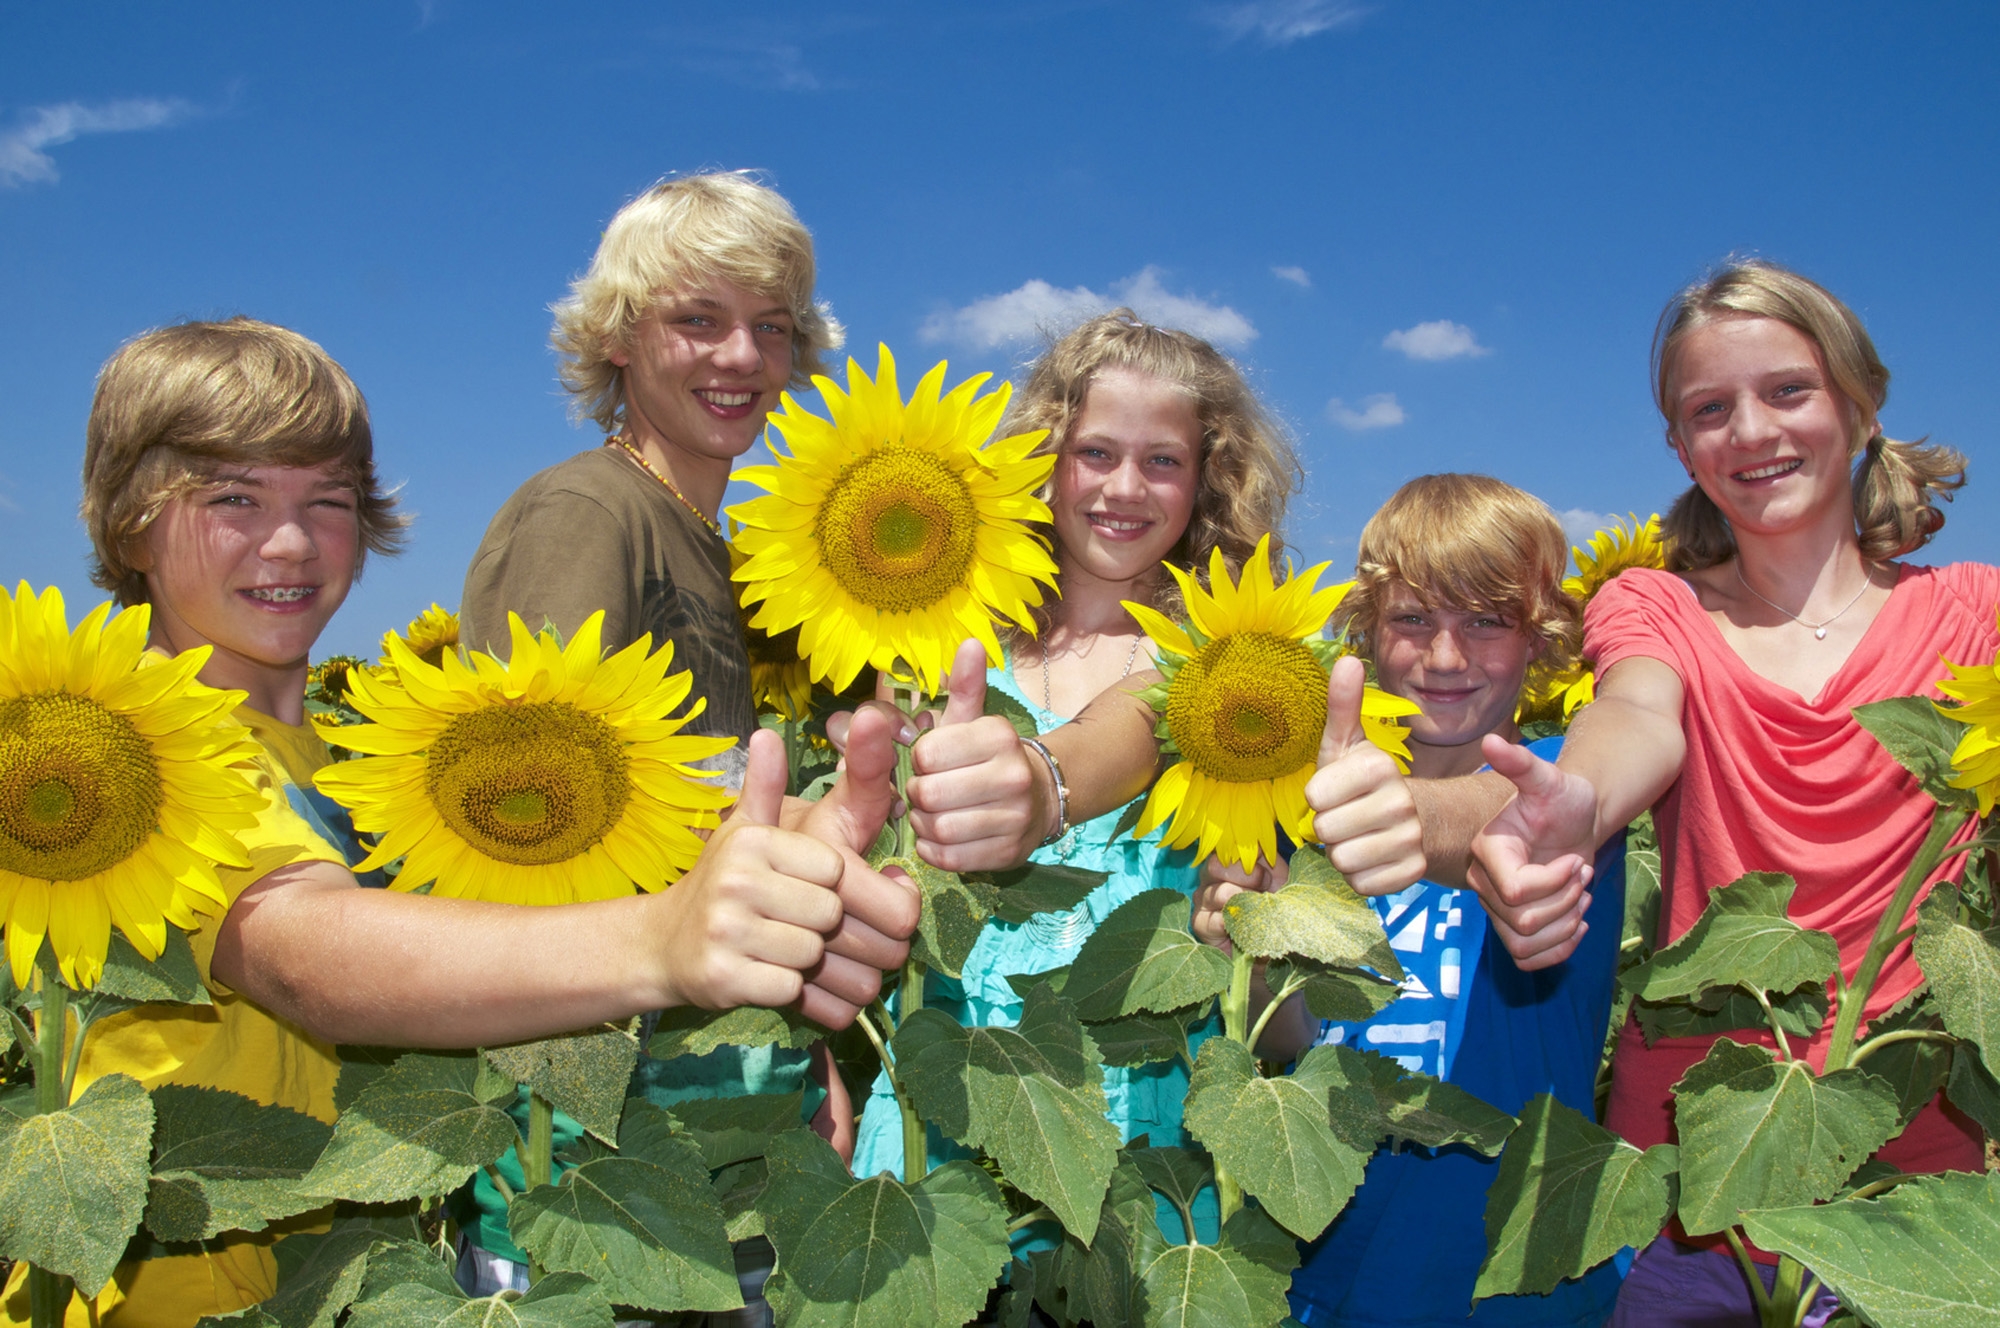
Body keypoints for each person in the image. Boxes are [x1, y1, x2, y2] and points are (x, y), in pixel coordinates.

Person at [0, 317, 909, 1328]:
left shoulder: (350, 763)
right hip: (169, 1295)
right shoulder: (132, 751)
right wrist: (667, 940)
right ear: (131, 521)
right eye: (232, 499)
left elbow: (496, 925)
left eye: (328, 501)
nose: (291, 541)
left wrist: (778, 887)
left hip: (318, 1275)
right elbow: (305, 950)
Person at [1469, 260, 1985, 1326]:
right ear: (1678, 446)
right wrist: (1578, 799)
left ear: (1858, 403)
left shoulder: (1974, 616)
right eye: (1710, 409)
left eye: (1786, 391)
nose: (1750, 430)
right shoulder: (1656, 607)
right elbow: (1636, 717)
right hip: (1692, 1172)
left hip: (1915, 1179)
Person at [455, 172, 917, 1310]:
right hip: (592, 1161)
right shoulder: (589, 515)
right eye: (696, 320)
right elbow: (536, 826)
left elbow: (727, 835)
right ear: (617, 338)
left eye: (769, 327)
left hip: (713, 1119)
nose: (738, 357)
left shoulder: (714, 545)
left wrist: (801, 1049)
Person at [846, 313, 1303, 1243]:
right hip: (945, 1115)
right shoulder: (942, 646)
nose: (1125, 488)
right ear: (1042, 460)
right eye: (1095, 452)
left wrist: (1262, 936)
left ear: (1210, 480)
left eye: (1163, 461)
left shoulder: (1230, 676)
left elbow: (1283, 1019)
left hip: (1150, 1136)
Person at [1195, 474, 1626, 1326]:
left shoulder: (1566, 785)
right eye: (1414, 618)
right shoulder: (1306, 811)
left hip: (1513, 1272)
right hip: (1331, 1265)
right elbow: (1291, 1041)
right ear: (1367, 630)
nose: (1446, 656)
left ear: (1539, 642)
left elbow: (1553, 807)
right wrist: (1247, 948)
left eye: (1488, 621)